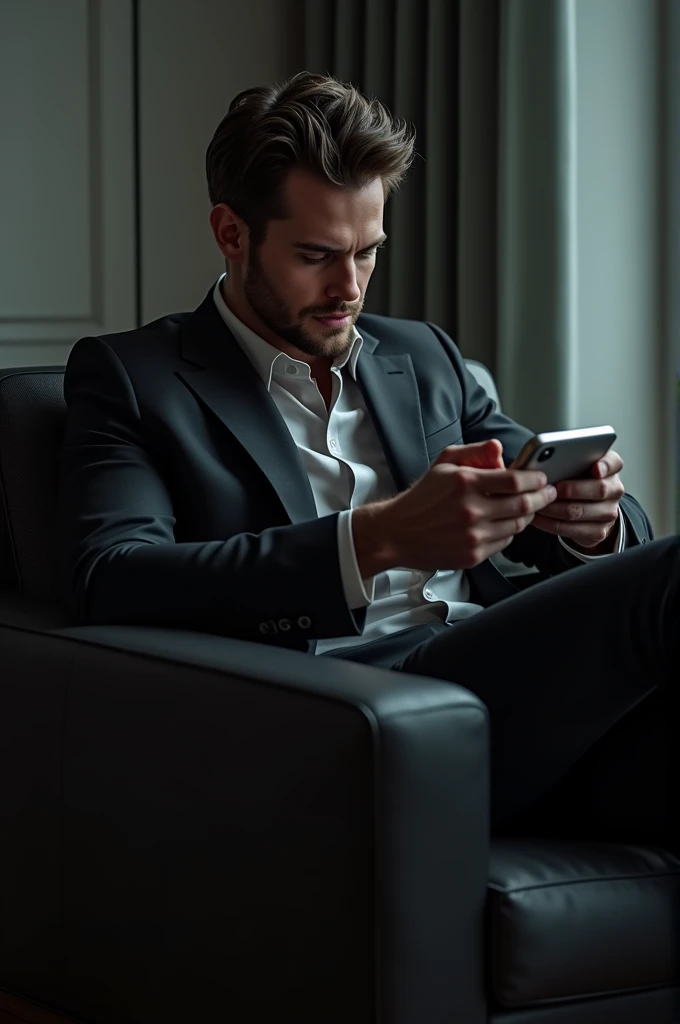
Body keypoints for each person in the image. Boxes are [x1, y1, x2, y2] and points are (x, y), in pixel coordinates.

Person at [57, 71, 678, 848]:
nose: (348, 288)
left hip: (505, 702)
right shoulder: (136, 379)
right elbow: (110, 577)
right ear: (232, 232)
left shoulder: (421, 357)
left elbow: (582, 524)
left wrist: (591, 524)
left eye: (368, 253)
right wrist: (374, 540)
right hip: (344, 714)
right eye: (317, 255)